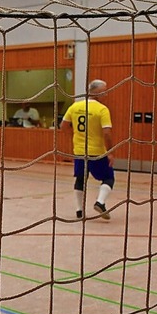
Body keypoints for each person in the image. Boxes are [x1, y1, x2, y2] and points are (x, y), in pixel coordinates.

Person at [61, 79, 115, 220]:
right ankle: (100, 203)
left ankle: (79, 210)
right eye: (105, 90)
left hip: (79, 152)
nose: (107, 94)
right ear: (98, 92)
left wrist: (75, 137)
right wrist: (110, 152)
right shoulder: (102, 109)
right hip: (97, 152)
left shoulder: (75, 106)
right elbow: (107, 133)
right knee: (108, 178)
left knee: (80, 179)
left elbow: (63, 126)